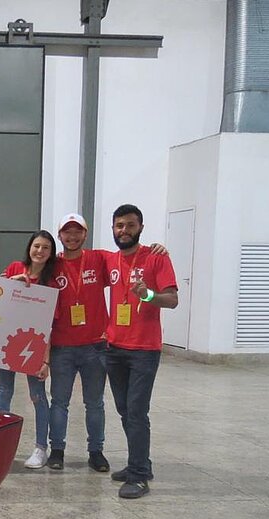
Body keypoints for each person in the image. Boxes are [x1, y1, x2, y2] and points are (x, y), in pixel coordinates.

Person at [103, 203, 178, 499]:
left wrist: (147, 295)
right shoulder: (110, 260)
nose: (124, 231)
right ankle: (141, 464)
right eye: (119, 225)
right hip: (114, 348)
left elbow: (172, 300)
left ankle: (138, 476)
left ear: (141, 228)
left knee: (136, 411)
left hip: (144, 350)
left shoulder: (156, 258)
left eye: (130, 225)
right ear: (113, 228)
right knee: (125, 410)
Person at [46, 213, 111, 472]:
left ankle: (96, 451)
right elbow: (29, 271)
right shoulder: (52, 265)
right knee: (59, 402)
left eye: (77, 231)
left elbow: (128, 260)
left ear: (85, 234)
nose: (72, 237)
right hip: (62, 346)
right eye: (67, 232)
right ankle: (57, 450)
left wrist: (155, 250)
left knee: (94, 403)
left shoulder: (99, 259)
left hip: (95, 346)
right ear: (59, 235)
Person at [0, 230, 56, 469]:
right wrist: (11, 283)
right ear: (29, 247)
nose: (40, 251)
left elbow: (49, 323)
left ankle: (41, 448)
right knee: (4, 391)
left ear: (51, 253)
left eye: (46, 248)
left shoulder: (51, 281)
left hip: (35, 343)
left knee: (37, 396)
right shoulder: (14, 268)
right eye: (36, 246)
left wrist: (46, 360)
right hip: (8, 340)